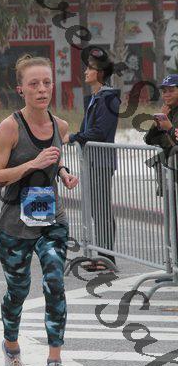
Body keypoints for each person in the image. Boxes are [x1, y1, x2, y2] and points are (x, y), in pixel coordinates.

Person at [0, 55, 78, 366]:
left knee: (55, 284)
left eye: (47, 83)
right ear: (20, 89)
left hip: (51, 218)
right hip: (15, 223)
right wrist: (32, 164)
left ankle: (55, 362)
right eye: (34, 84)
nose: (42, 89)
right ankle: (11, 349)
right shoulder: (10, 128)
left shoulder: (61, 126)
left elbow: (54, 161)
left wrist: (63, 173)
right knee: (18, 290)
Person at [64, 49, 120, 272]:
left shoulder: (109, 98)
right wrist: (77, 135)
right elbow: (88, 128)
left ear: (101, 73)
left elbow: (99, 131)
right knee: (97, 211)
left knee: (102, 210)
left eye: (90, 68)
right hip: (92, 161)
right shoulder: (96, 98)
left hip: (102, 162)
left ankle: (108, 258)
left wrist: (74, 137)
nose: (86, 72)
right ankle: (101, 254)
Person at [144, 74, 178, 195]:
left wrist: (169, 128)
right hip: (169, 173)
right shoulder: (167, 111)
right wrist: (156, 124)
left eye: (171, 90)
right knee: (170, 205)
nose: (166, 94)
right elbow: (148, 140)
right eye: (164, 91)